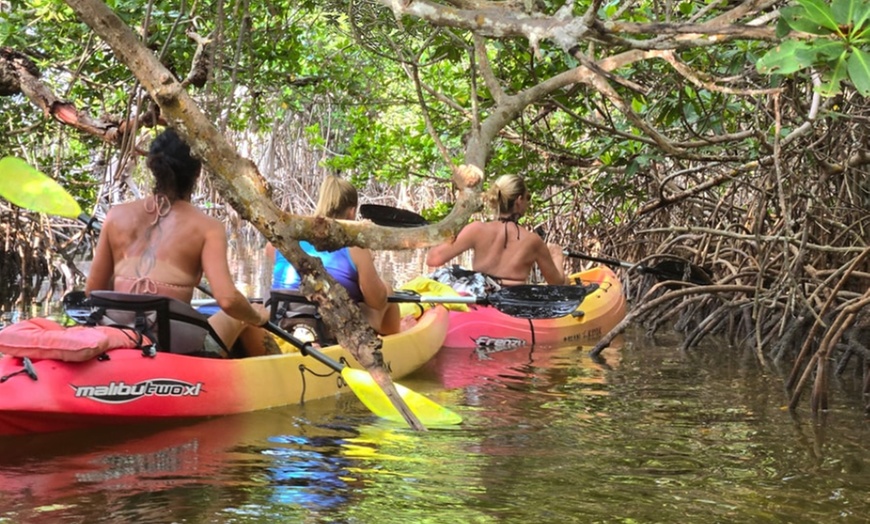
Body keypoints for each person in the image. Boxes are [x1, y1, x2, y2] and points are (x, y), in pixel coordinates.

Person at [85, 128, 274, 357]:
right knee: (246, 313)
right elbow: (227, 299)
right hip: (173, 349)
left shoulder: (116, 216)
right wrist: (258, 316)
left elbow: (93, 290)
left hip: (122, 339)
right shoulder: (207, 227)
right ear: (197, 173)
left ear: (152, 167)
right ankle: (278, 377)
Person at [268, 176, 401, 335]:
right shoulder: (355, 246)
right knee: (386, 289)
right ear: (352, 212)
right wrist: (366, 264)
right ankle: (395, 341)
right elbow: (377, 302)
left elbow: (270, 252)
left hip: (284, 320)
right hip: (328, 329)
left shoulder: (285, 237)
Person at [426, 174, 566, 290]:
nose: (528, 203)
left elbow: (433, 259)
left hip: (480, 298)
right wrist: (556, 255)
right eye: (527, 197)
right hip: (511, 305)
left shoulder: (476, 229)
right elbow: (557, 284)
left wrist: (448, 235)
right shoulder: (533, 241)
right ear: (519, 200)